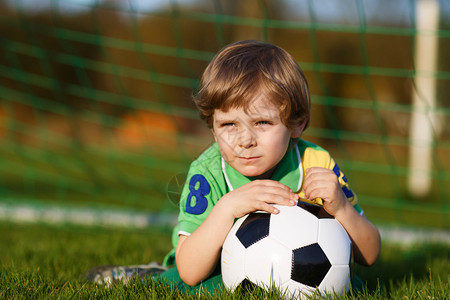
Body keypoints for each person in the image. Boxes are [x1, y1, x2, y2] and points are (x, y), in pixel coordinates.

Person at [84, 40, 381, 294]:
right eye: (228, 125)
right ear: (212, 129)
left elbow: (369, 255)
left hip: (307, 272)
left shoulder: (317, 163)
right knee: (196, 286)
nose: (244, 140)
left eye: (262, 123)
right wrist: (227, 208)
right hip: (211, 270)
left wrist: (341, 208)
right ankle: (149, 275)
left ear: (296, 124)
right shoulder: (208, 172)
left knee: (351, 285)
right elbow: (190, 270)